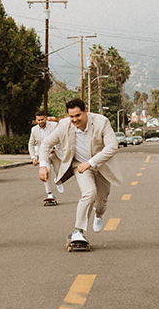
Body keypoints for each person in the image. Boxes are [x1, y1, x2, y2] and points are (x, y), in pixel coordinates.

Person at [38, 98, 121, 244]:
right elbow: (46, 143)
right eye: (71, 116)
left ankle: (99, 215)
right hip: (80, 166)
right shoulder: (64, 125)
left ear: (85, 112)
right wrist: (43, 165)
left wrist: (91, 162)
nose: (75, 119)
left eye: (78, 115)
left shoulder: (101, 122)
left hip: (101, 166)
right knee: (89, 193)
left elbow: (112, 146)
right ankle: (78, 231)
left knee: (101, 202)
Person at [29, 110, 64, 203]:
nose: (41, 122)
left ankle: (58, 180)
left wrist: (54, 147)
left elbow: (61, 139)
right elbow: (31, 144)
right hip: (43, 155)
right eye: (38, 120)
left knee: (59, 171)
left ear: (46, 118)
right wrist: (33, 157)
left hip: (55, 153)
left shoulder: (54, 125)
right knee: (45, 172)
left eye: (42, 119)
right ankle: (49, 193)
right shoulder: (34, 130)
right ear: (36, 120)